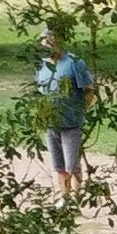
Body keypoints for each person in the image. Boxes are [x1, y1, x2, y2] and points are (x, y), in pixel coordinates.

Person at [36, 27, 95, 195]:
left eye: (50, 40)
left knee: (72, 164)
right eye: (45, 41)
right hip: (51, 122)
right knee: (59, 165)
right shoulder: (42, 65)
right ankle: (64, 198)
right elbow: (40, 92)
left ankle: (76, 198)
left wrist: (81, 110)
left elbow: (89, 90)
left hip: (71, 122)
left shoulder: (74, 63)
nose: (47, 44)